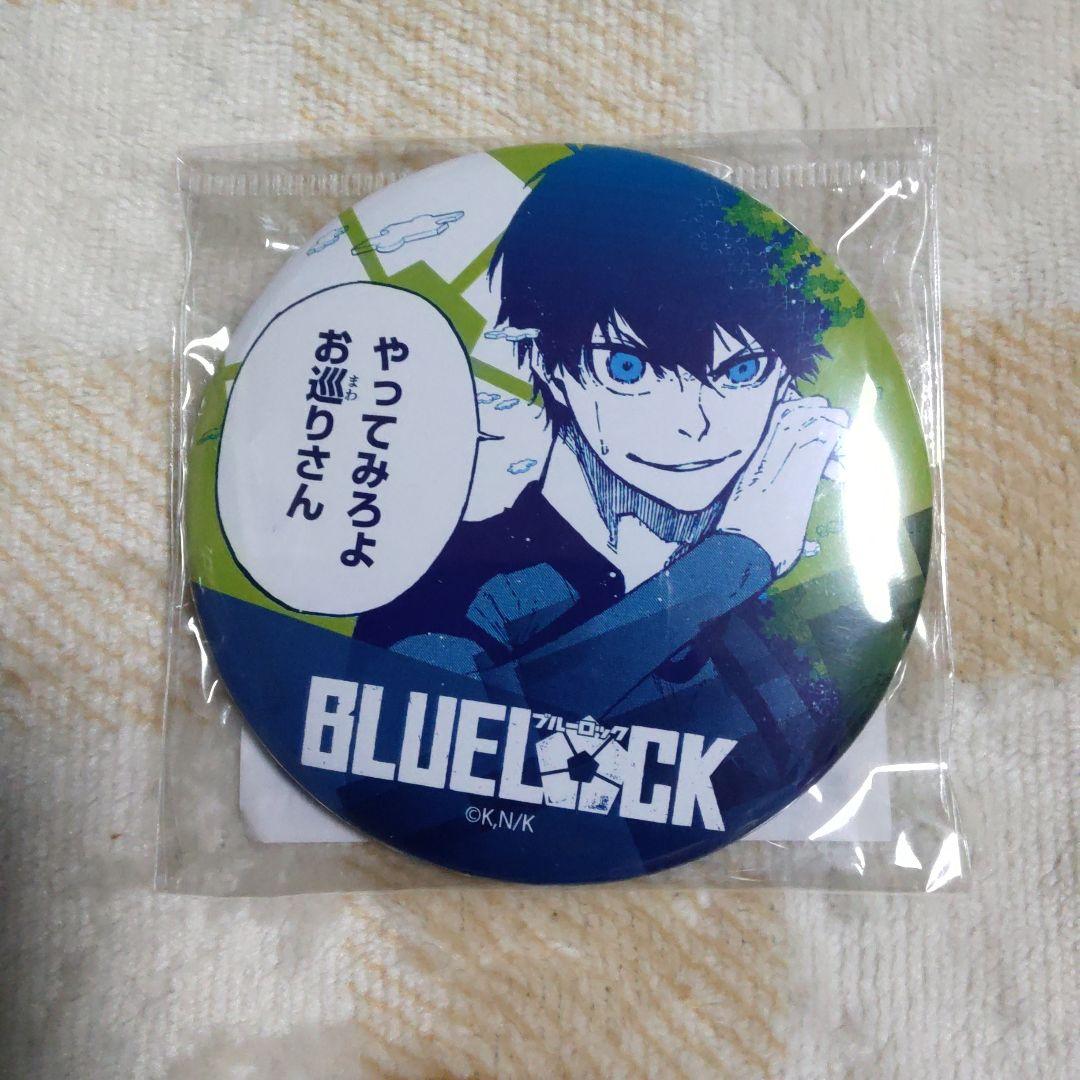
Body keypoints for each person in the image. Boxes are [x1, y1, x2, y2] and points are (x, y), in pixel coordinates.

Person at [354, 147, 846, 758]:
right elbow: (424, 760)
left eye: (742, 370)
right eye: (627, 369)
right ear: (544, 362)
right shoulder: (447, 585)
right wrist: (731, 563)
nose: (695, 425)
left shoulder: (791, 583)